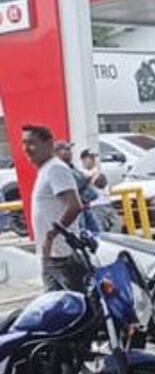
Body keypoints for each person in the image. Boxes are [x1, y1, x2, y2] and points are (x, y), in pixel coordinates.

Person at [22, 125, 86, 292]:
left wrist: (52, 234)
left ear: (49, 144)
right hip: (51, 255)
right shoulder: (46, 170)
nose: (26, 149)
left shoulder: (56, 169)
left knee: (74, 304)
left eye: (32, 143)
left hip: (62, 255)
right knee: (55, 308)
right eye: (24, 143)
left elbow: (75, 206)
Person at [54, 141, 109, 234]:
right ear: (57, 153)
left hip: (85, 207)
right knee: (81, 234)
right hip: (76, 209)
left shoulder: (72, 167)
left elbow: (100, 183)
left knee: (98, 234)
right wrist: (88, 179)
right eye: (66, 149)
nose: (70, 152)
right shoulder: (58, 169)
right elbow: (76, 184)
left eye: (70, 149)